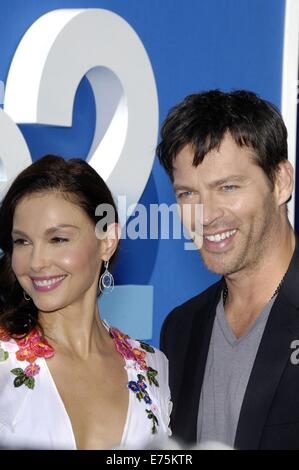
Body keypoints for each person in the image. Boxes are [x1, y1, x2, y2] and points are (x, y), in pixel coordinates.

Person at [156, 90, 299, 450]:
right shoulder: (180, 328)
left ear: (281, 182)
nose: (205, 215)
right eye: (187, 194)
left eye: (228, 187)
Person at [0, 155, 171, 450]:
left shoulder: (152, 366)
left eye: (58, 239)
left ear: (107, 242)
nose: (36, 262)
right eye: (22, 242)